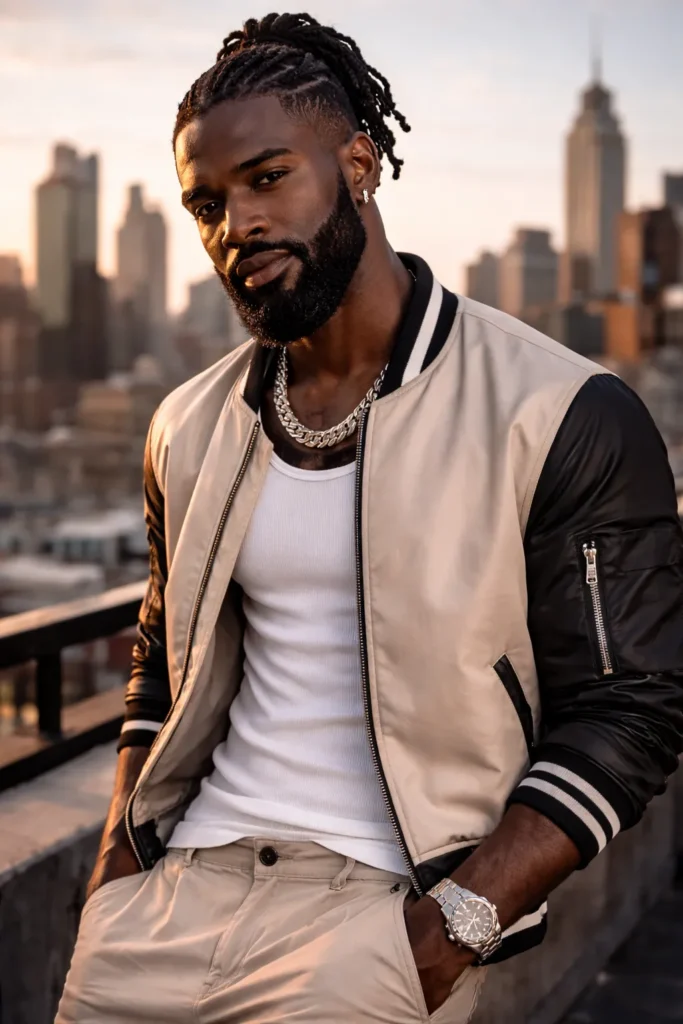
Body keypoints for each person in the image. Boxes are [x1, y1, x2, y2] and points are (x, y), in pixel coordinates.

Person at [56, 13, 683, 1024]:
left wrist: (444, 935)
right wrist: (113, 882)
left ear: (358, 164)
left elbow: (633, 706)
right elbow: (157, 667)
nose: (237, 225)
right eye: (205, 203)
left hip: (375, 927)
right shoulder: (186, 425)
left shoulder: (558, 410)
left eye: (267, 178)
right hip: (161, 915)